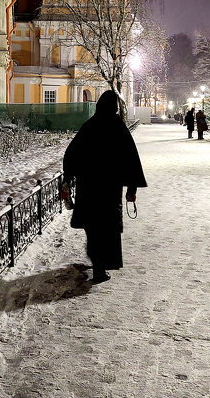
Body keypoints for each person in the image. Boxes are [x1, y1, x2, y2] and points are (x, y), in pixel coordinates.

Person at [63, 90, 147, 283]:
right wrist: (131, 190)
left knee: (93, 228)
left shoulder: (89, 126)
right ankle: (101, 268)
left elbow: (71, 154)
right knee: (107, 230)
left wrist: (69, 178)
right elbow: (131, 159)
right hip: (110, 190)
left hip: (89, 188)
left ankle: (97, 262)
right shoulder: (118, 127)